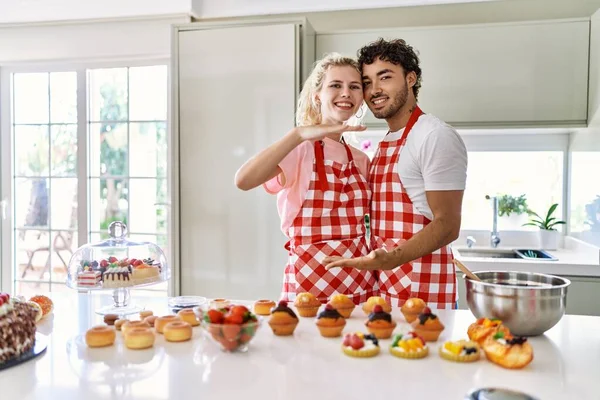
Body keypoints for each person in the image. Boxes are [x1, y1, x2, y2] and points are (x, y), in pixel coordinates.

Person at [324, 39, 468, 309]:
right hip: (386, 285)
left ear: (410, 78)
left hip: (424, 289)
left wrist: (390, 259)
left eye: (385, 77)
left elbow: (448, 224)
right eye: (366, 82)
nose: (374, 90)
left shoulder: (433, 135)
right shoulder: (389, 139)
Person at [235, 53, 377, 304]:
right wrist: (299, 134)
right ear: (317, 95)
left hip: (359, 285)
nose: (346, 92)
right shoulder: (300, 150)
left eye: (354, 87)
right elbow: (243, 180)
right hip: (308, 287)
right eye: (335, 85)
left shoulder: (361, 160)